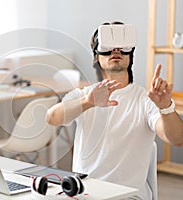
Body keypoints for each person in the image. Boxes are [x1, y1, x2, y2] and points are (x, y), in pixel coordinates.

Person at [46, 21, 183, 200]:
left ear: (130, 54)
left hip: (128, 196)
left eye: (121, 46)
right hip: (85, 193)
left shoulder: (145, 100)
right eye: (108, 46)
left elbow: (177, 138)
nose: (116, 51)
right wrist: (88, 102)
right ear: (97, 55)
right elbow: (52, 117)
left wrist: (165, 107)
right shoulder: (84, 95)